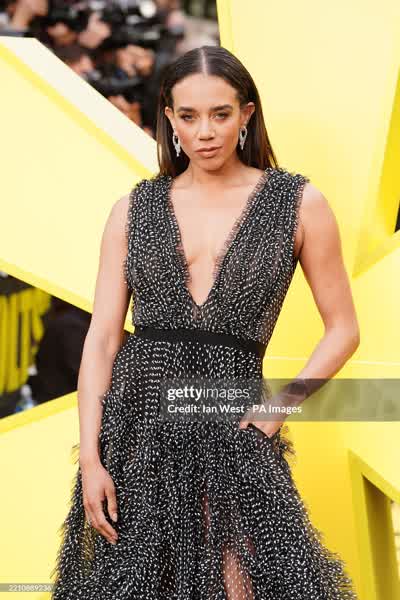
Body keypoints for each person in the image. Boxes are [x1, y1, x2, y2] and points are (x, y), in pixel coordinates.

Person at [50, 45, 360, 599]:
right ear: (169, 119)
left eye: (220, 114)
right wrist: (91, 458)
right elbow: (101, 342)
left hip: (235, 430)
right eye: (189, 116)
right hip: (138, 435)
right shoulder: (133, 209)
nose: (205, 132)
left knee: (240, 585)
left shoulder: (297, 203)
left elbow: (343, 329)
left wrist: (273, 414)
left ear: (246, 114)